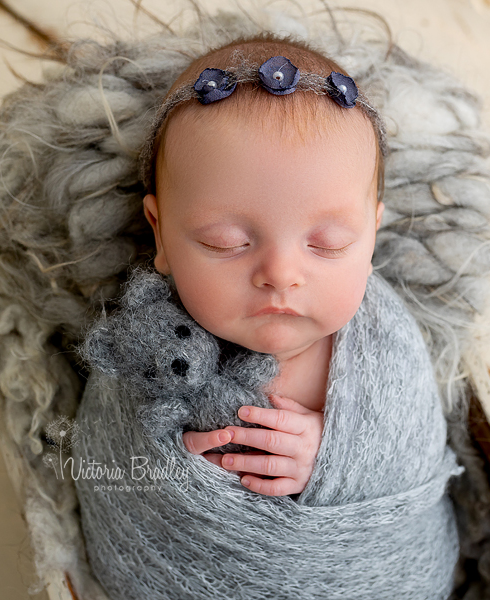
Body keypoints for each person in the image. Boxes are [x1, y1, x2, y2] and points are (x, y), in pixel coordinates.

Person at [138, 35, 387, 497]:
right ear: (160, 232)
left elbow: (417, 450)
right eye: (226, 242)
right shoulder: (146, 345)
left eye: (329, 245)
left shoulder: (386, 349)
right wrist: (176, 469)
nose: (280, 274)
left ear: (371, 238)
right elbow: (113, 456)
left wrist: (334, 459)